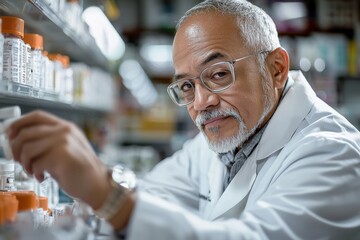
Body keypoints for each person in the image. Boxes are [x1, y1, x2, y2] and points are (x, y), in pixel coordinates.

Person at [7, 0, 360, 239]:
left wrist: (106, 192)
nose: (202, 102)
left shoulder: (333, 155)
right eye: (186, 87)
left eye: (219, 74)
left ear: (276, 68)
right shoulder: (217, 144)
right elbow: (152, 192)